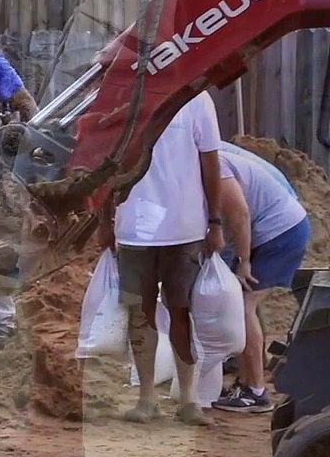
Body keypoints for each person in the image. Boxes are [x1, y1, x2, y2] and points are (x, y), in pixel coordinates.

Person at [98, 90, 225, 426]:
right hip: (134, 228)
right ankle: (146, 398)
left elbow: (211, 163)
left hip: (184, 228)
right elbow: (104, 162)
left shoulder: (197, 99)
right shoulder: (125, 92)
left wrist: (215, 222)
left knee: (182, 312)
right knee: (139, 314)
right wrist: (104, 221)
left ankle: (189, 399)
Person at [212, 149, 311, 414]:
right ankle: (246, 382)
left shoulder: (214, 163)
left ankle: (256, 392)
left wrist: (243, 261)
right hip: (275, 224)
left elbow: (240, 213)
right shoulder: (210, 154)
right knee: (240, 302)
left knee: (244, 306)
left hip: (281, 232)